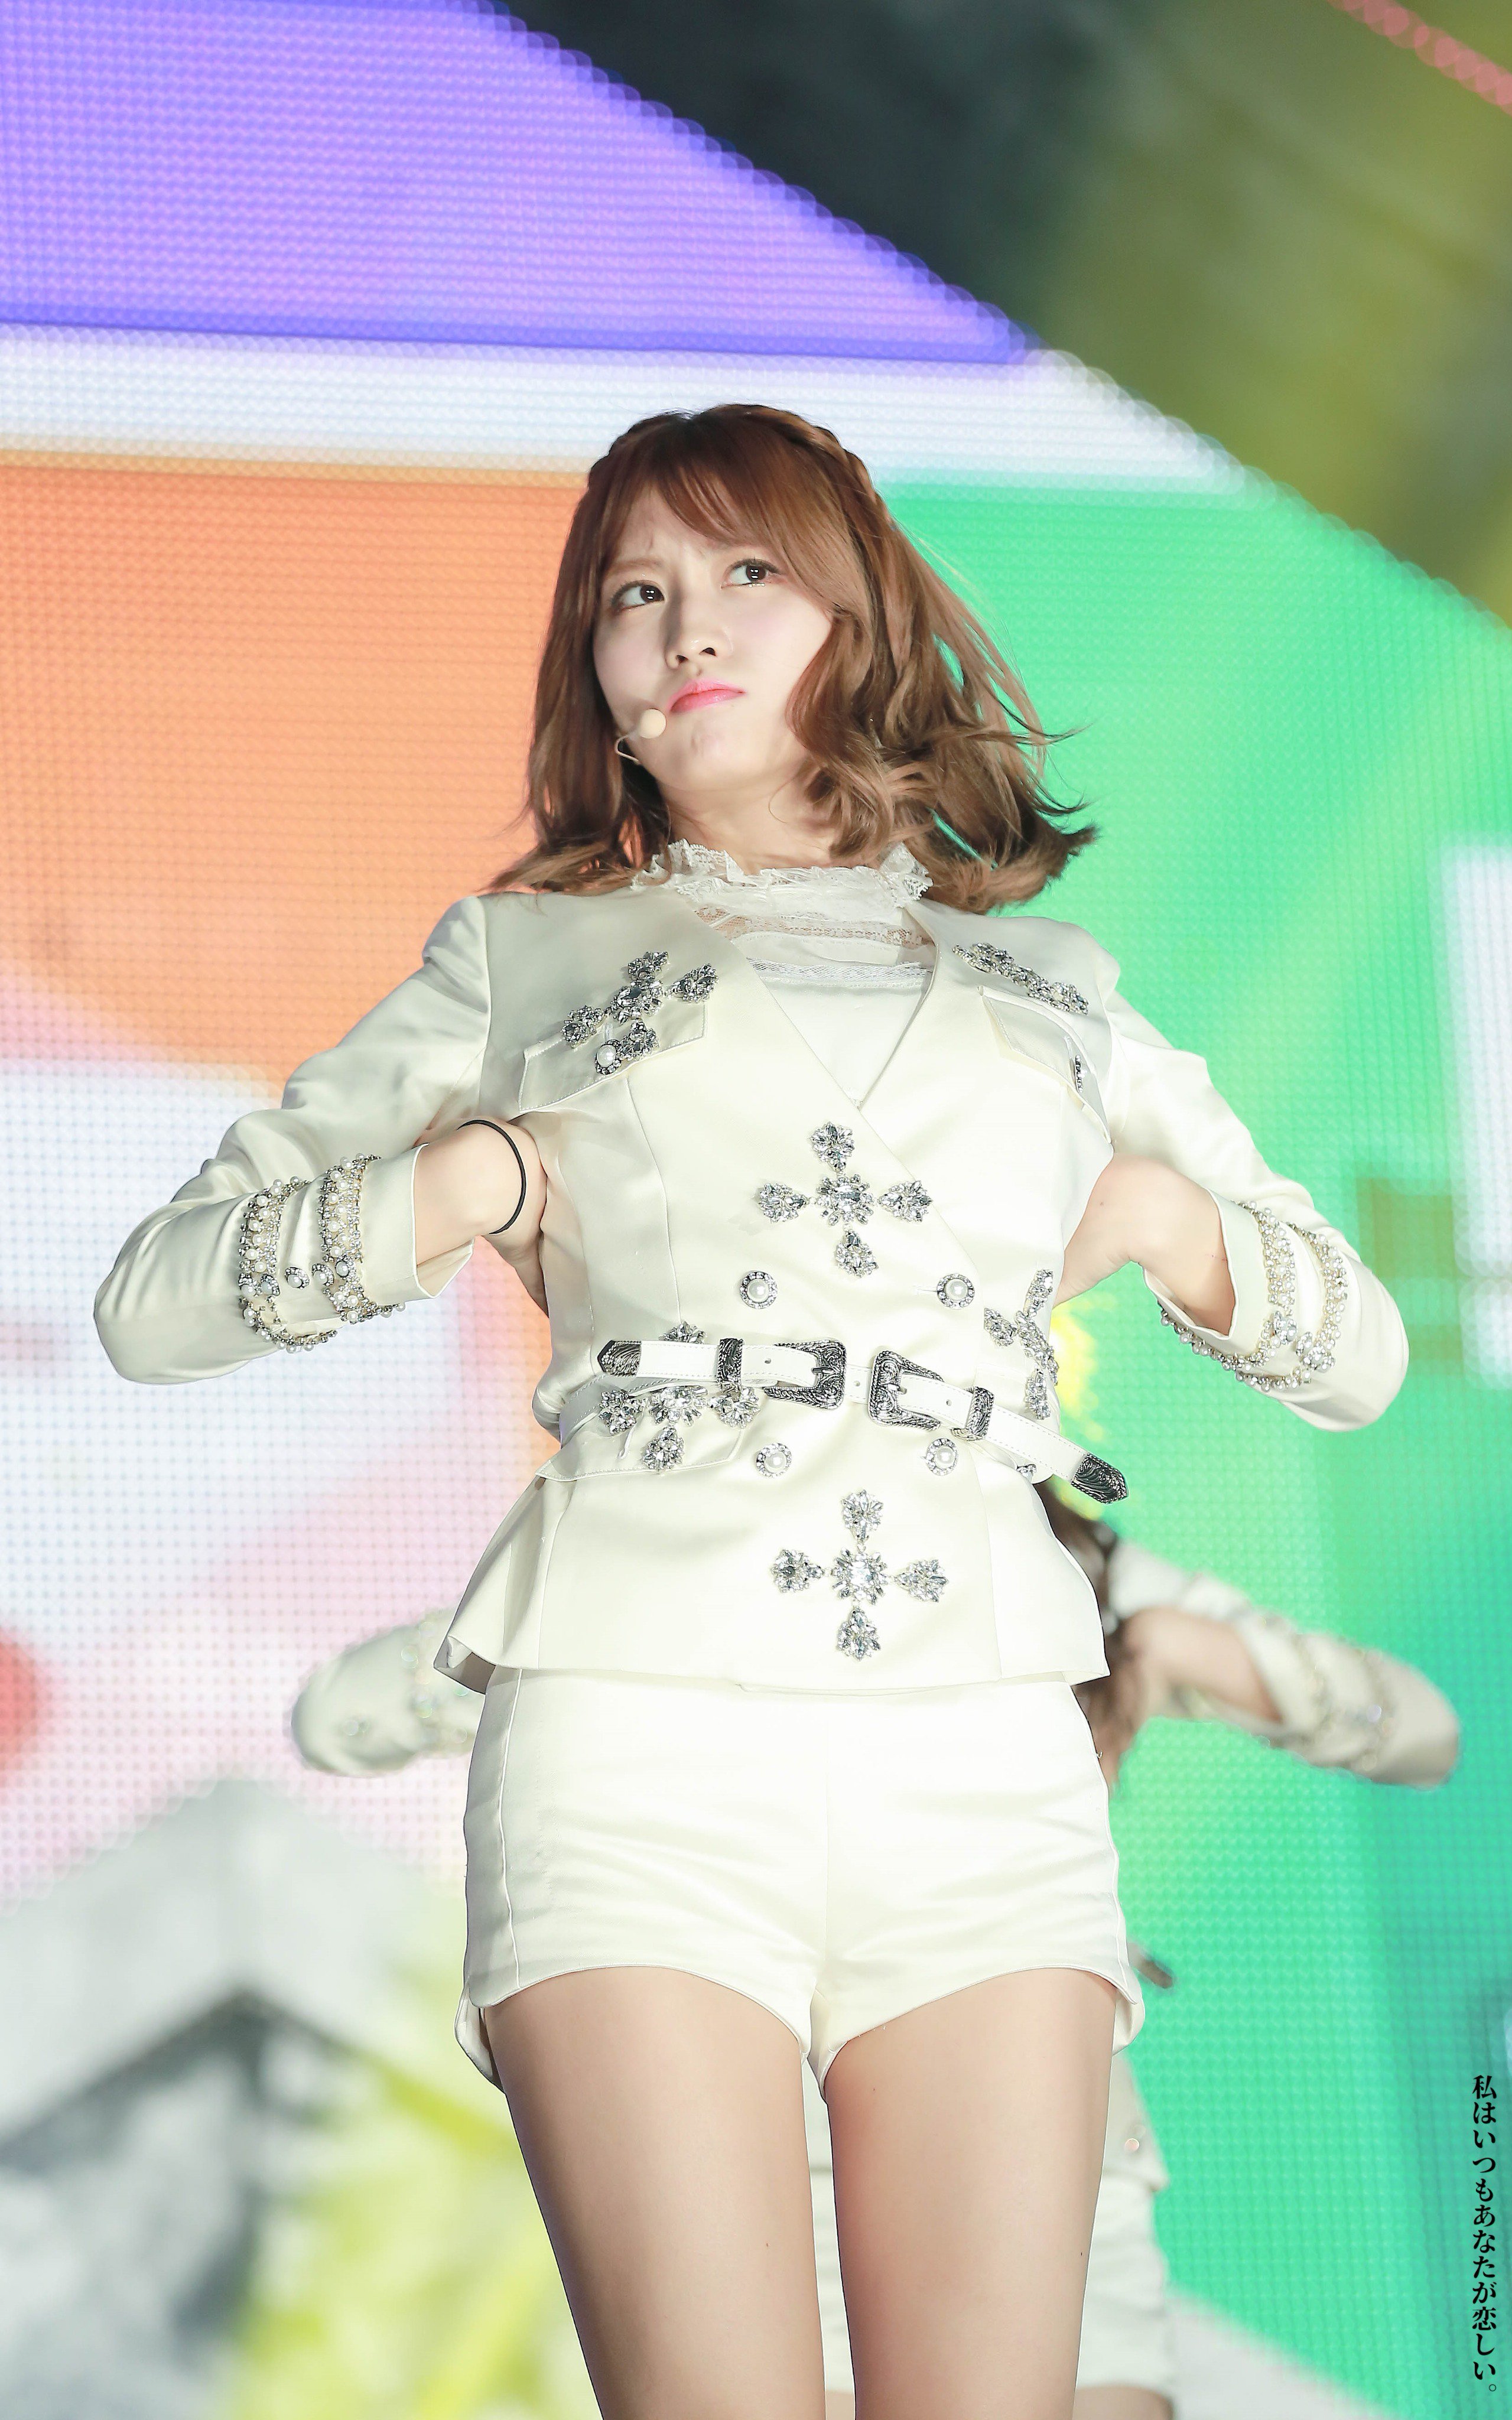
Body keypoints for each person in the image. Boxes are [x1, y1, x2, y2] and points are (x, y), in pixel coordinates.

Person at [95, 403, 1408, 2420]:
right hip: (635, 1745)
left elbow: (1361, 1358)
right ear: (601, 676)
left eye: (745, 571)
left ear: (857, 620)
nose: (685, 624)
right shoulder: (517, 962)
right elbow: (154, 1304)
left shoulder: (1057, 990)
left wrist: (1162, 1218)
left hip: (984, 1760)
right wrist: (470, 1180)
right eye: (634, 592)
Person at [291, 1487, 1459, 2418]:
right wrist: (569, 1605)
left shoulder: (1063, 1549)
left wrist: (1168, 1645)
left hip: (1029, 2158)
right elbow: (340, 1716)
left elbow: (1419, 1729)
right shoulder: (676, 1523)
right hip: (756, 2159)